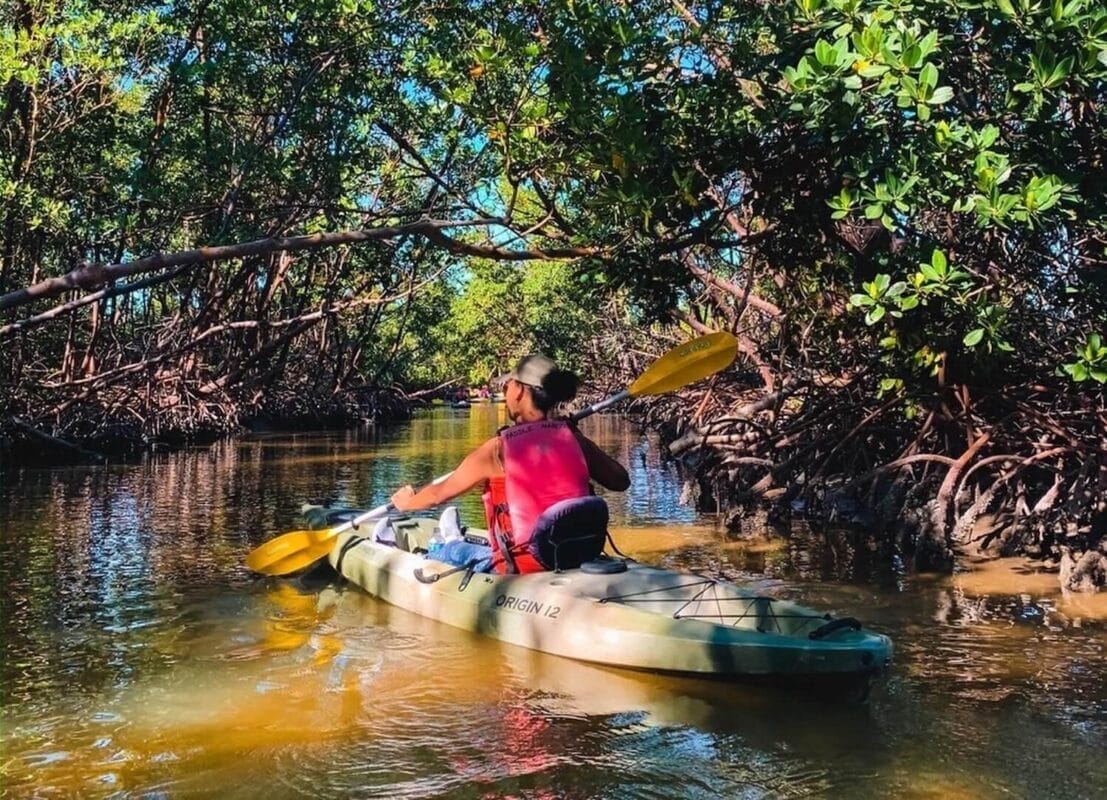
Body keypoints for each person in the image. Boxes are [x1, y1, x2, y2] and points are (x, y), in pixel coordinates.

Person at [390, 354, 629, 573]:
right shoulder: (573, 438)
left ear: (519, 392)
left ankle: (446, 544)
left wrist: (408, 503)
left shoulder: (498, 449)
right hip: (576, 555)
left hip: (523, 565)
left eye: (507, 385)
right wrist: (576, 438)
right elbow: (621, 481)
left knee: (453, 552)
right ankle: (452, 538)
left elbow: (439, 494)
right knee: (478, 552)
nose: (505, 391)